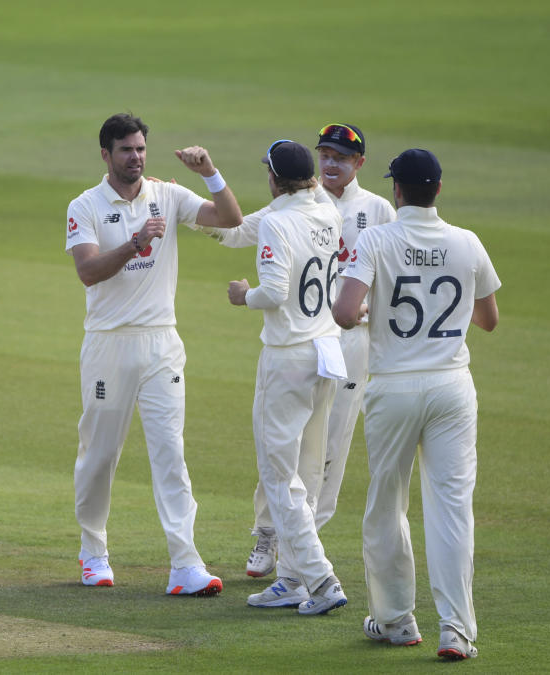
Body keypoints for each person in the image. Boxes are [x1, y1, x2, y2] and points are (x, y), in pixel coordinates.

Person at [203, 124, 396, 579]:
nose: (331, 163)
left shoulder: (377, 210)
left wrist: (371, 312)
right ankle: (273, 536)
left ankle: (305, 551)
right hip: (317, 335)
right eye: (324, 155)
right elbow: (233, 232)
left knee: (327, 450)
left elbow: (394, 271)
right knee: (285, 449)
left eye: (341, 157)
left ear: (359, 164)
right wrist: (187, 213)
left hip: (345, 341)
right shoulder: (298, 208)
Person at [332, 149, 500, 658]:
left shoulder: (377, 239)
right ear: (438, 190)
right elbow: (488, 318)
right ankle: (456, 630)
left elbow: (343, 312)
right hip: (452, 387)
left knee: (387, 506)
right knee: (452, 511)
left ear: (397, 191)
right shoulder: (467, 242)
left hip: (393, 387)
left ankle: (396, 621)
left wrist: (368, 310)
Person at [66, 113, 243, 595]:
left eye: (141, 148)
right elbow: (88, 272)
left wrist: (209, 172)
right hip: (108, 343)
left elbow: (230, 219)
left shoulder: (166, 194)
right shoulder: (83, 206)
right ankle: (93, 552)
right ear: (106, 154)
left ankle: (185, 564)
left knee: (170, 453)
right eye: (126, 149)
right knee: (99, 455)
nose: (136, 157)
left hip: (162, 343)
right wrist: (136, 242)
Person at [227, 140, 348, 615]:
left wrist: (243, 295)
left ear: (274, 179)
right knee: (303, 472)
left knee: (280, 476)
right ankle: (294, 580)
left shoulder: (278, 222)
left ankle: (320, 580)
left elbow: (274, 292)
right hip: (326, 351)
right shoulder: (328, 213)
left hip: (289, 357)